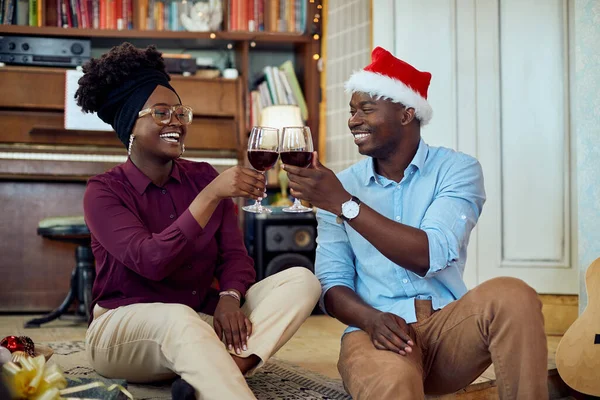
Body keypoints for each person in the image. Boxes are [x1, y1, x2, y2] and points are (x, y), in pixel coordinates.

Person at [283, 47, 548, 400]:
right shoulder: (341, 184)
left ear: (407, 113)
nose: (353, 120)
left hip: (448, 329)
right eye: (351, 111)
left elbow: (429, 253)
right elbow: (332, 286)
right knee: (394, 384)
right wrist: (370, 319)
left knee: (514, 295)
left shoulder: (456, 170)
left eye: (366, 109)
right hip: (376, 332)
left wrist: (345, 205)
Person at [77, 42, 321, 400]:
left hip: (198, 322)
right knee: (178, 318)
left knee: (302, 281)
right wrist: (209, 197)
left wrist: (229, 297)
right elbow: (151, 261)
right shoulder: (103, 192)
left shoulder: (202, 175)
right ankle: (227, 379)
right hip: (122, 331)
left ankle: (204, 377)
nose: (176, 122)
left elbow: (235, 256)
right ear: (130, 123)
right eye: (161, 113)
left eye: (180, 113)